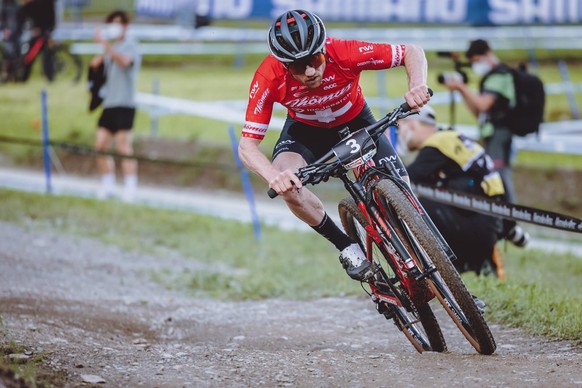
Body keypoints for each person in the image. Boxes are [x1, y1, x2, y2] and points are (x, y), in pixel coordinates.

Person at [238, 9, 431, 282]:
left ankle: (449, 282)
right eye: (297, 66)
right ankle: (347, 246)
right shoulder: (268, 77)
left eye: (315, 60)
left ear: (323, 50)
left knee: (405, 201)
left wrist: (417, 85)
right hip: (306, 132)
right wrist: (274, 177)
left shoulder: (345, 52)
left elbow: (412, 51)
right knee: (289, 187)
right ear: (283, 65)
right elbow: (247, 146)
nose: (309, 71)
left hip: (356, 122)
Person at [397, 105, 529, 278]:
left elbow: (406, 177)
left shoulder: (438, 144)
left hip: (476, 227)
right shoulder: (453, 138)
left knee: (414, 208)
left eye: (399, 130)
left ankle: (426, 273)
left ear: (412, 125)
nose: (400, 137)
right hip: (489, 224)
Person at [440, 39, 518, 205]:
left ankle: (509, 212)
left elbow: (483, 103)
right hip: (491, 133)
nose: (476, 66)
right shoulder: (490, 77)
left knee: (498, 174)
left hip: (500, 133)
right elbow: (479, 111)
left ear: (487, 54)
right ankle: (501, 211)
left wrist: (461, 87)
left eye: (476, 61)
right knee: (493, 173)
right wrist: (461, 90)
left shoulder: (500, 75)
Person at [90, 10, 141, 202]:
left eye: (118, 23)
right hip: (109, 103)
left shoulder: (130, 46)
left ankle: (130, 186)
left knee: (123, 146)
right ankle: (108, 184)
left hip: (125, 104)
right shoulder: (110, 50)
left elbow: (125, 62)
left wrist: (105, 46)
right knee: (101, 145)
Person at [16, 0, 57, 81]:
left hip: (43, 33)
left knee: (42, 56)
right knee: (34, 56)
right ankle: (24, 77)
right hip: (42, 32)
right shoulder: (34, 5)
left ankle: (25, 77)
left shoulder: (43, 4)